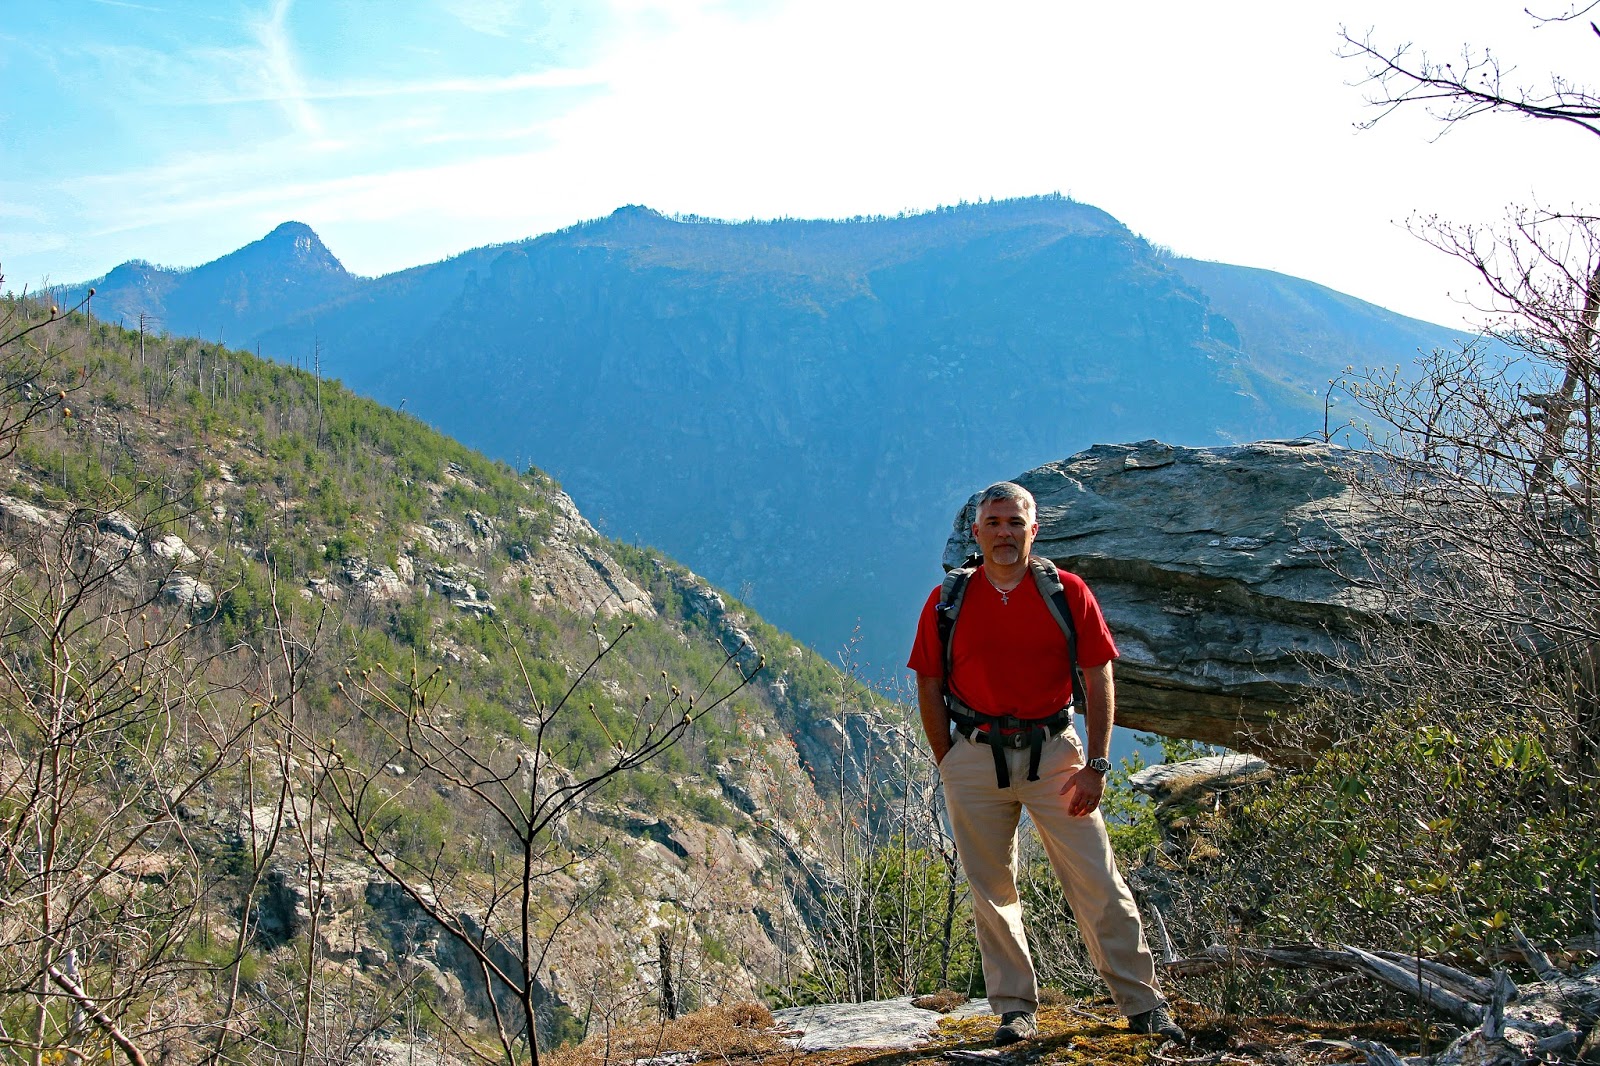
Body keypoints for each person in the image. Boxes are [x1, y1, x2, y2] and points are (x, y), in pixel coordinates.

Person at [907, 481, 1185, 1047]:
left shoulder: (1067, 593)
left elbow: (1098, 675)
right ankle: (1014, 1009)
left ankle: (1142, 1002)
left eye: (1015, 523)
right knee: (990, 888)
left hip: (1056, 755)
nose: (1004, 533)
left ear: (1035, 530)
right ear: (977, 533)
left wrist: (1098, 764)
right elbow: (929, 681)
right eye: (994, 523)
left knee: (1098, 878)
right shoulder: (947, 601)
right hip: (975, 756)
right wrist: (950, 762)